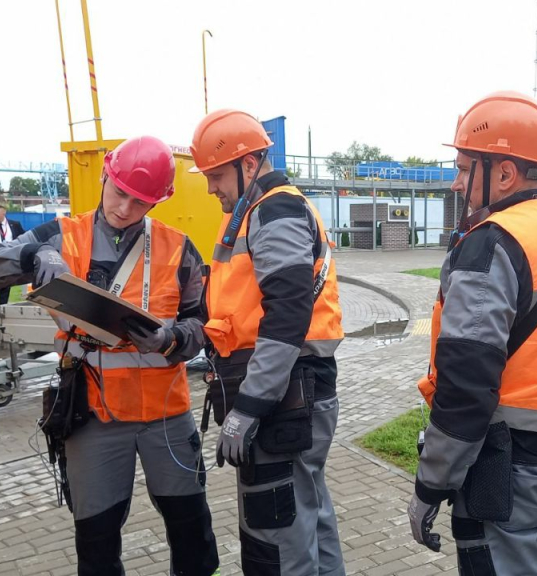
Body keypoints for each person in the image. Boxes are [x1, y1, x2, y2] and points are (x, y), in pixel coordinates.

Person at [0, 136, 219, 576]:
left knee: (193, 536)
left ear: (159, 201)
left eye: (140, 202)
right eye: (119, 193)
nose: (125, 208)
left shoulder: (179, 248)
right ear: (105, 176)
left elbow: (205, 324)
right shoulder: (62, 236)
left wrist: (172, 338)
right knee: (96, 544)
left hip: (166, 416)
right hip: (93, 416)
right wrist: (33, 253)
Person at [407, 92, 537, 576]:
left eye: (463, 168)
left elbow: (466, 384)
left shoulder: (491, 243)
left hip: (510, 472)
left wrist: (430, 485)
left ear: (503, 173)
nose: (456, 183)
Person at [190, 109, 346, 576]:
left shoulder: (273, 210)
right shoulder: (257, 212)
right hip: (295, 390)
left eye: (216, 175)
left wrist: (249, 408)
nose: (211, 187)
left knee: (275, 537)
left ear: (249, 164)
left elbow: (287, 315)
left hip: (283, 396)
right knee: (308, 517)